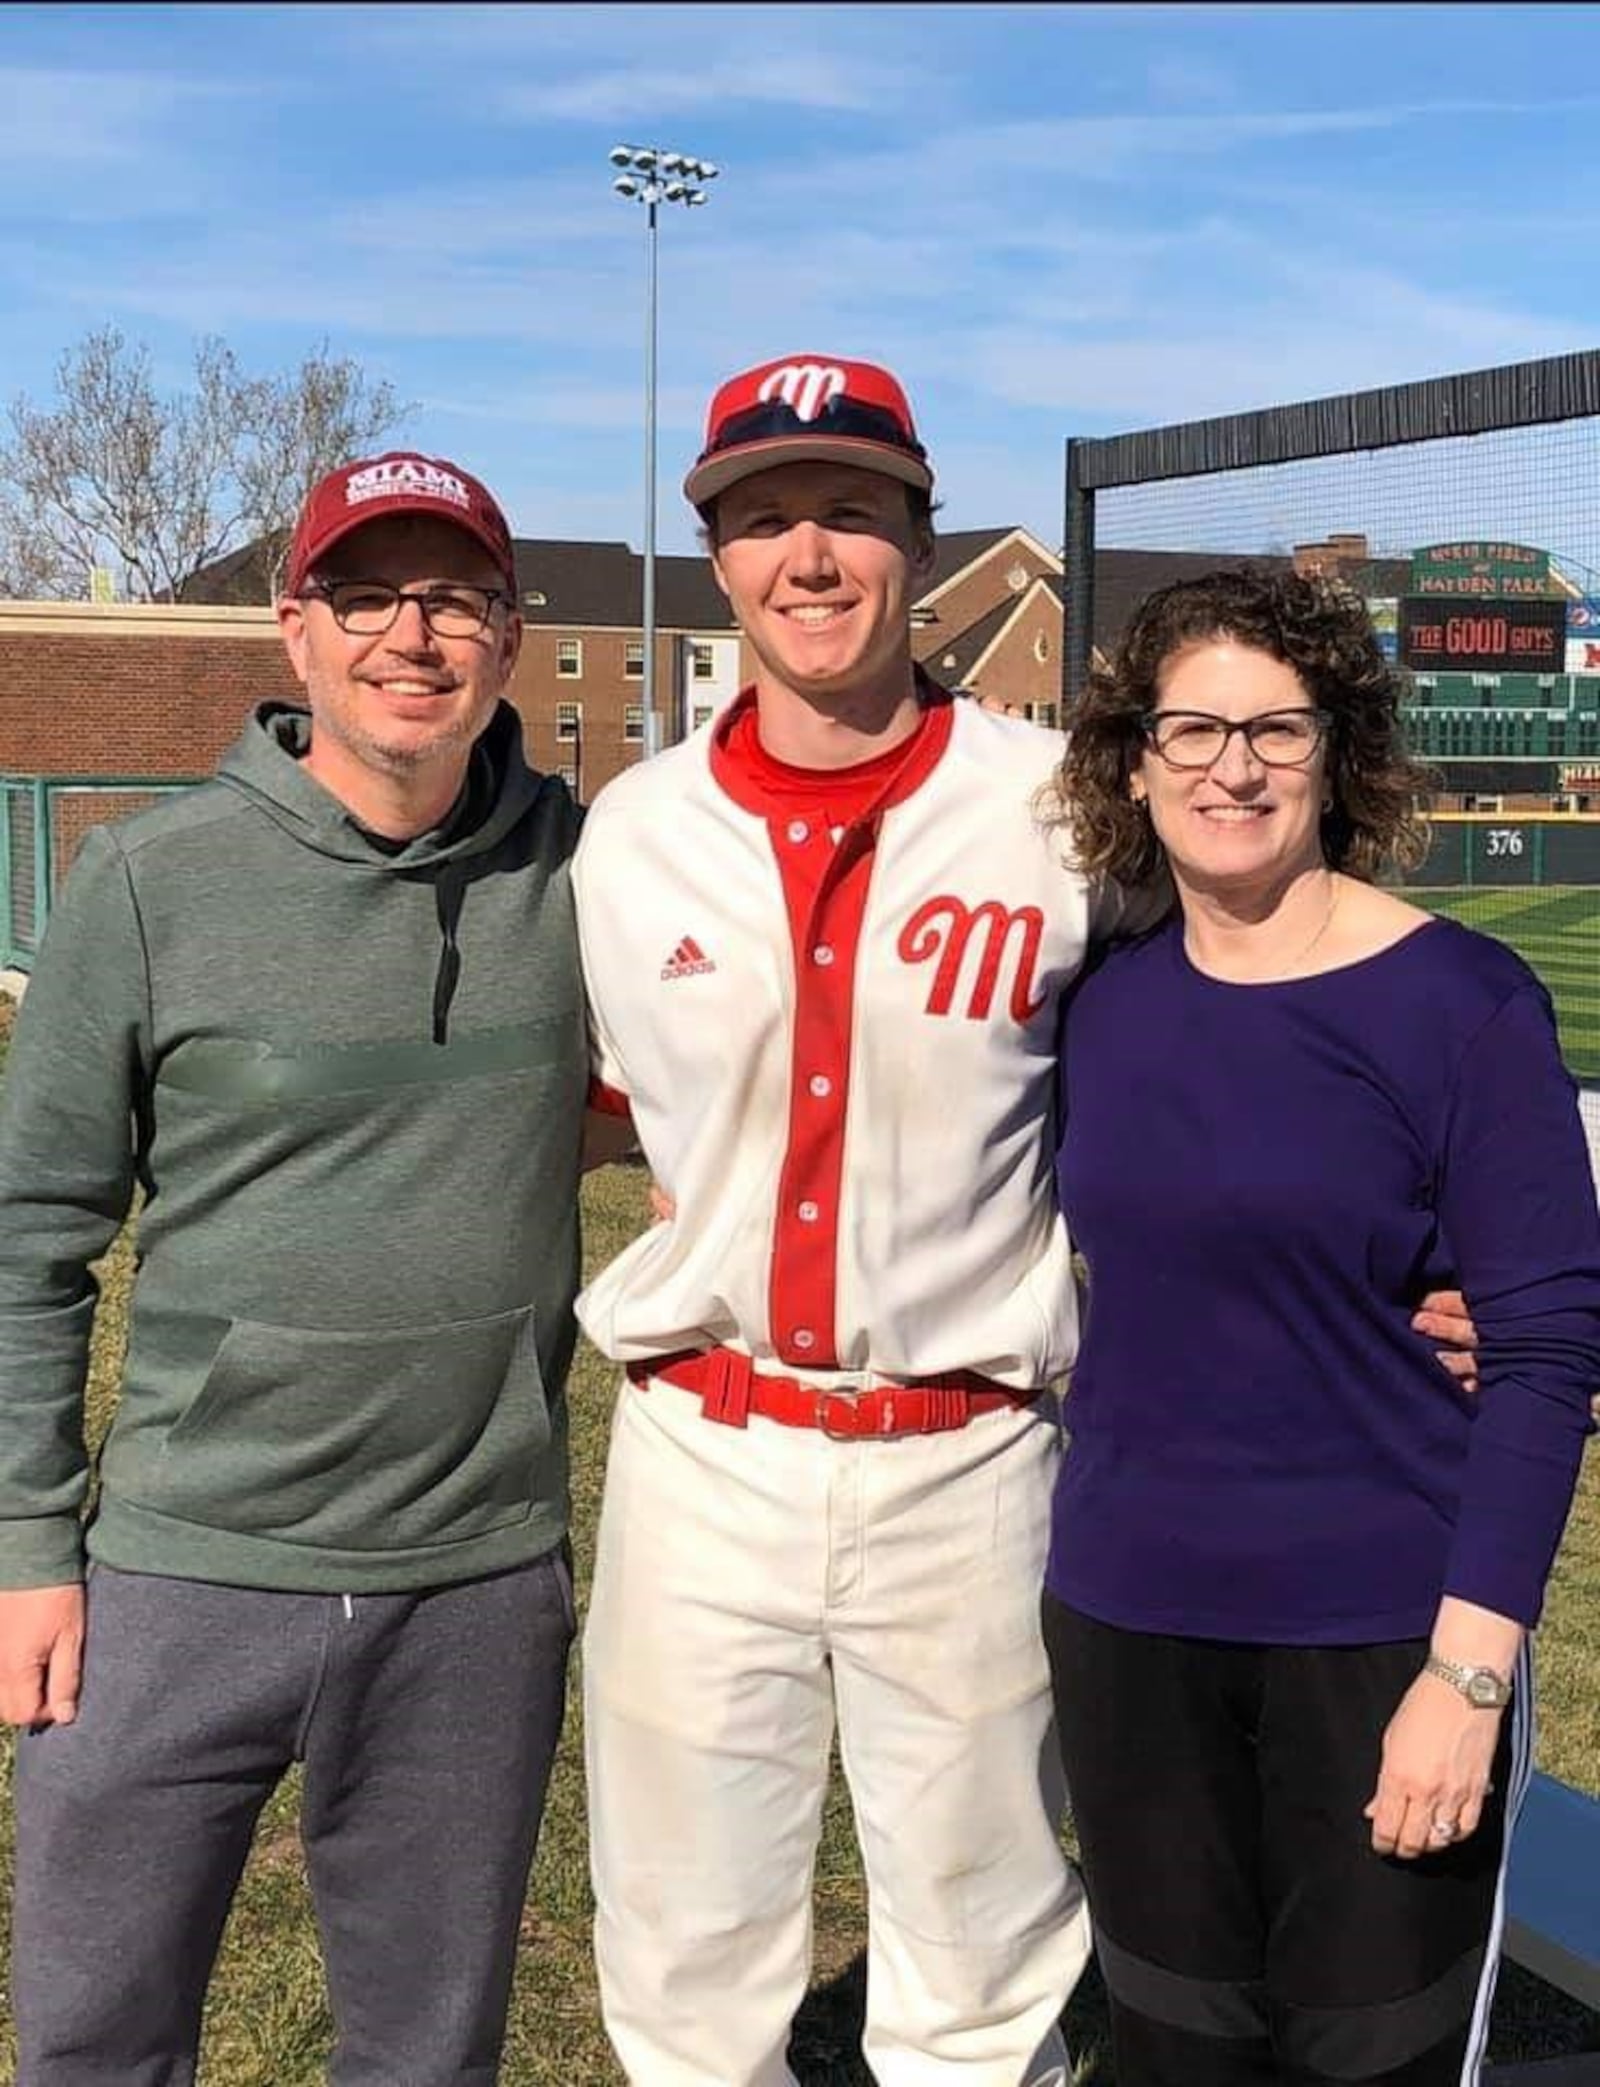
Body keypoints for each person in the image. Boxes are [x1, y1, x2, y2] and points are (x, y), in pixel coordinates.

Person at [569, 361, 1477, 2087]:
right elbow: (606, 1105)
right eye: (765, 521)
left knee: (979, 1971)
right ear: (717, 561)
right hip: (706, 1445)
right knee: (683, 1960)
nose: (809, 556)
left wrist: (1429, 1252)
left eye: (849, 511)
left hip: (970, 1455)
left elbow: (1254, 1006)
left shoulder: (1065, 806)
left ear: (919, 536)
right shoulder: (630, 838)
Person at [0, 452, 587, 2086]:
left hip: (474, 1581)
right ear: (295, 633)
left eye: (456, 597)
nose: (414, 634)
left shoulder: (587, 871)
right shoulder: (147, 885)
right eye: (367, 595)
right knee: (96, 2041)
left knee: (426, 2054)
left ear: (511, 636)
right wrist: (27, 1543)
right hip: (175, 1578)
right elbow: (28, 1235)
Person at [1040, 566, 1600, 2087]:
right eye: (1195, 730)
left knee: (1374, 2060)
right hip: (1129, 1624)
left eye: (1277, 731)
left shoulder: (1461, 1005)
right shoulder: (1102, 1005)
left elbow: (1549, 1353)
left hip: (1381, 1638)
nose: (1234, 767)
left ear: (1339, 751)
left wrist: (1467, 1679)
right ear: (1134, 760)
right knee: (1175, 2042)